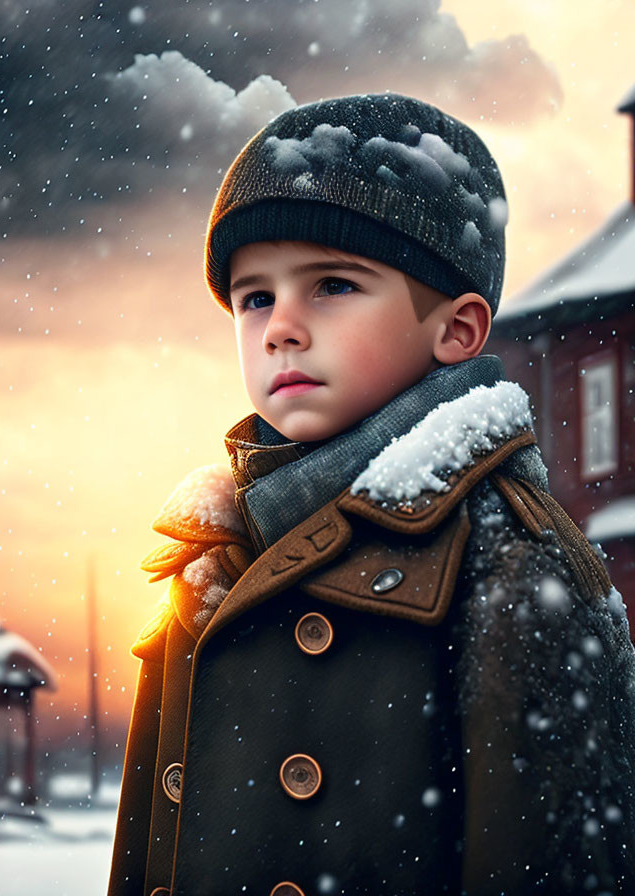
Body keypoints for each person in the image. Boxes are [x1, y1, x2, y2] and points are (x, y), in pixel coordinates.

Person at [107, 93, 635, 896]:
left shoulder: (515, 565)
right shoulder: (207, 559)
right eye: (255, 297)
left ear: (457, 329)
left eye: (333, 285)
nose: (282, 325)